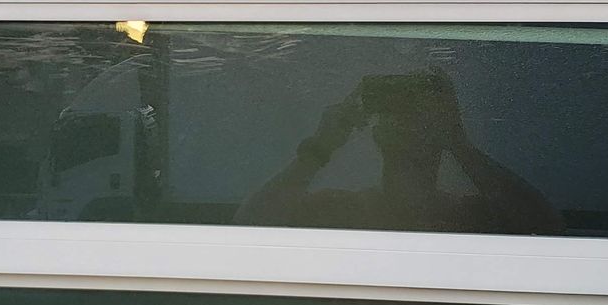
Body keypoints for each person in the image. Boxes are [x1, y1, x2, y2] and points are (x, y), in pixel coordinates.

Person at [238, 69, 562, 234]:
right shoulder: (343, 210)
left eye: (417, 109)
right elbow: (250, 223)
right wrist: (320, 147)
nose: (405, 117)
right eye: (393, 106)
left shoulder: (468, 215)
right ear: (376, 130)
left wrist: (458, 143)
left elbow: (547, 227)